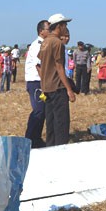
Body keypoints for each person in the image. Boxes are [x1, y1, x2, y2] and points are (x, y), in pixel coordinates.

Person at [38, 13, 76, 146]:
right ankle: (60, 151)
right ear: (59, 26)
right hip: (58, 88)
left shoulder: (45, 42)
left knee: (51, 124)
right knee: (61, 124)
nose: (66, 27)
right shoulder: (58, 43)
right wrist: (69, 89)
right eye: (65, 25)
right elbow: (59, 67)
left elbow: (41, 65)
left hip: (47, 88)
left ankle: (50, 149)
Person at [24, 20, 50, 147]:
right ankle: (29, 139)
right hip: (36, 82)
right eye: (48, 29)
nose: (50, 31)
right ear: (41, 31)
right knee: (38, 110)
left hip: (40, 81)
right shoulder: (37, 45)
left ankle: (36, 138)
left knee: (42, 111)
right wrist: (44, 83)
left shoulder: (45, 44)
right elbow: (38, 65)